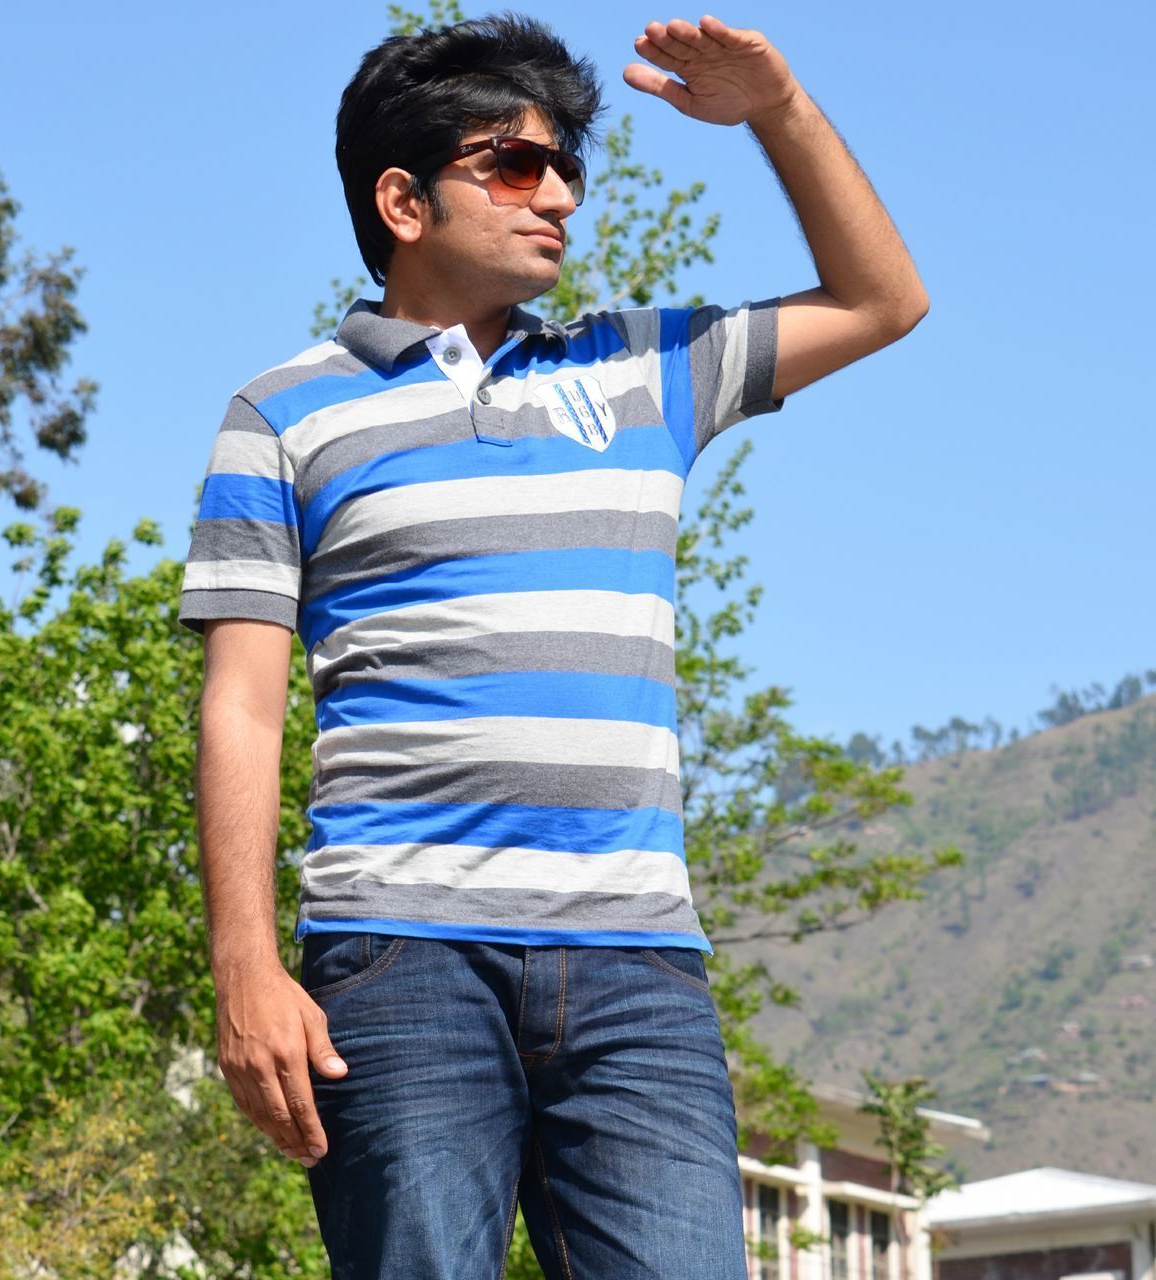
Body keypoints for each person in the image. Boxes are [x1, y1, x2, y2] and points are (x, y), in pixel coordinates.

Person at [180, 12, 927, 1279]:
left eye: (567, 167)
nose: (559, 196)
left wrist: (776, 110)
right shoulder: (283, 414)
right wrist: (245, 968)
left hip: (639, 967)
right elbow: (241, 706)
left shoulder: (646, 372)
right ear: (402, 200)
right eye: (514, 165)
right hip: (399, 962)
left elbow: (881, 299)